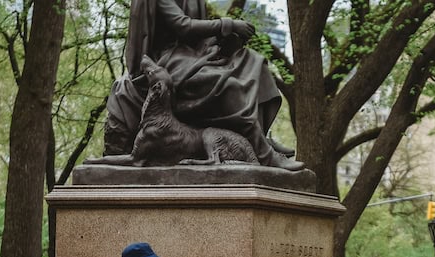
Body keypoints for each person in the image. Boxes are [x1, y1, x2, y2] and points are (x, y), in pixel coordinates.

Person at [103, 0, 302, 170]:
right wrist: (228, 24)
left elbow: (197, 34)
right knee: (229, 86)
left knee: (255, 63)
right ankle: (264, 154)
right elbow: (182, 26)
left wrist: (224, 40)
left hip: (194, 52)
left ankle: (259, 137)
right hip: (168, 59)